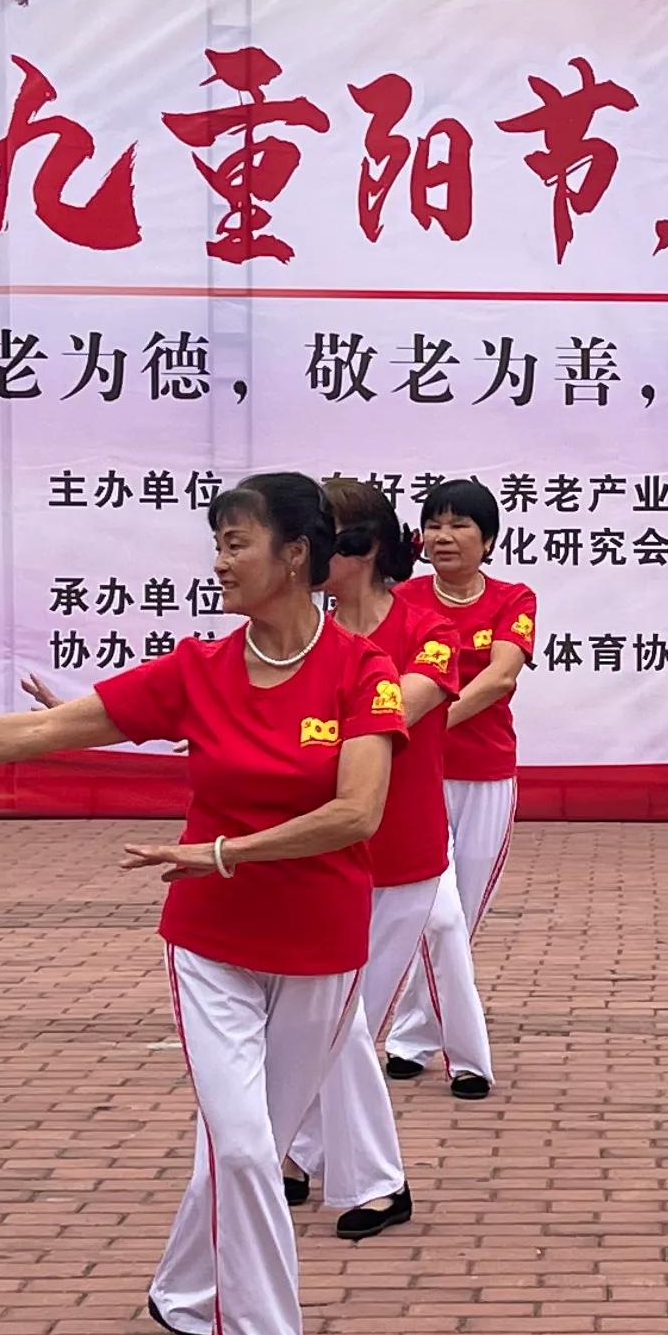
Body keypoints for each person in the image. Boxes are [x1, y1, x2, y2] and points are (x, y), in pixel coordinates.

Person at [0, 474, 402, 1335]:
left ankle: (183, 1293)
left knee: (252, 1144)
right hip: (209, 939)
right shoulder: (198, 669)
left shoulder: (361, 673)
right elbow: (44, 728)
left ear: (294, 554)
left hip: (322, 942)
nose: (218, 561)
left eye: (235, 542)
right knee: (246, 1149)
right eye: (216, 542)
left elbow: (356, 812)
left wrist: (222, 851)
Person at [295, 476, 462, 1246]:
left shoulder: (430, 630)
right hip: (318, 854)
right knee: (321, 1017)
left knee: (344, 1020)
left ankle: (371, 1179)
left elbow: (392, 708)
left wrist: (276, 723)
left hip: (401, 858)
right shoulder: (303, 635)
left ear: (357, 549)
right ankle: (305, 1157)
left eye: (310, 541)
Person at [377, 479, 533, 1100]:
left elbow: (499, 678)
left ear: (487, 540)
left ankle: (412, 1037)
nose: (444, 537)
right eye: (434, 525)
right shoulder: (402, 599)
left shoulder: (513, 598)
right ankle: (451, 1052)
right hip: (416, 775)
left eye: (460, 525)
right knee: (434, 915)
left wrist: (421, 720)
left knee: (458, 917)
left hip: (484, 775)